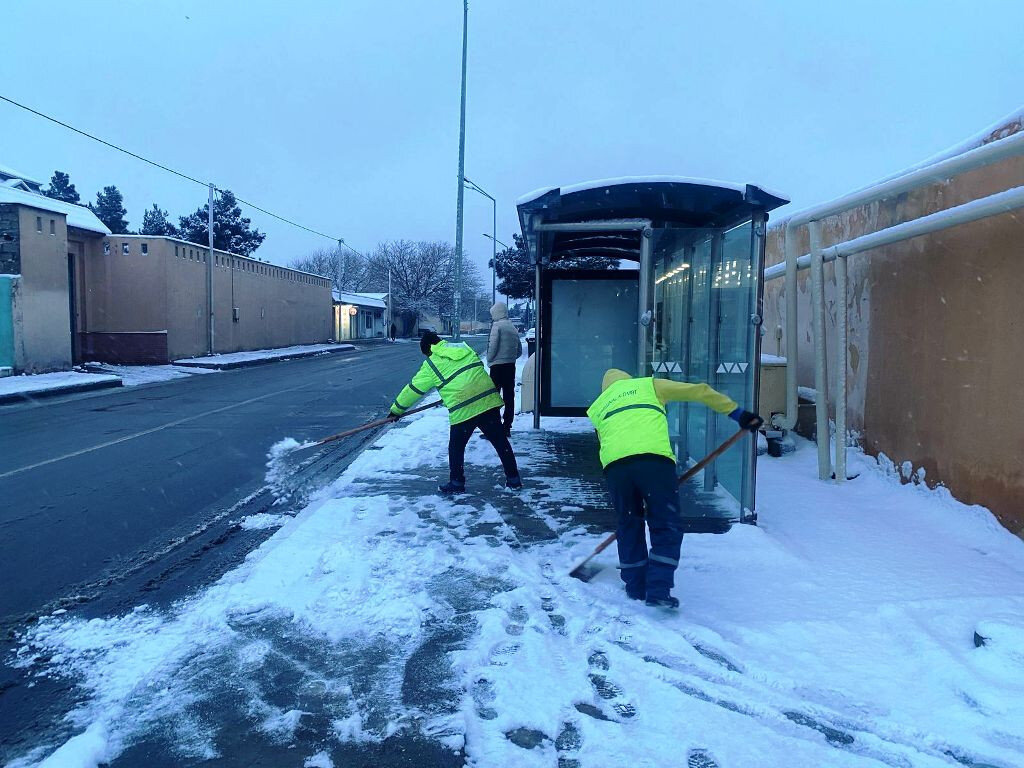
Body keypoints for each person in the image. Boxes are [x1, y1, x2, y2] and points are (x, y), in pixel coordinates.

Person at [586, 369, 762, 609]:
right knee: (665, 522)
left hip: (616, 469)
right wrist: (738, 413)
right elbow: (699, 391)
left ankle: (635, 586)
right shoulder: (648, 386)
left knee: (629, 524)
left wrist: (633, 483)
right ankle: (658, 589)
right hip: (655, 463)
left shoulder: (597, 406)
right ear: (629, 379)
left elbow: (610, 440)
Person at [389, 331, 522, 494]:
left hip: (464, 408)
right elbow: (472, 373)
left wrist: (396, 410)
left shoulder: (431, 365)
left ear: (427, 350)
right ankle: (514, 479)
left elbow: (414, 389)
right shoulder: (463, 349)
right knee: (500, 442)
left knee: (456, 447)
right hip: (487, 400)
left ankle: (457, 482)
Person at [485, 302, 523, 437]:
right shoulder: (512, 326)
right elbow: (519, 350)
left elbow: (492, 346)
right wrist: (510, 358)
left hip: (497, 366)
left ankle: (494, 427)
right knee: (509, 396)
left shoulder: (497, 326)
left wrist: (490, 359)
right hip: (510, 366)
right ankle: (507, 426)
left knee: (494, 397)